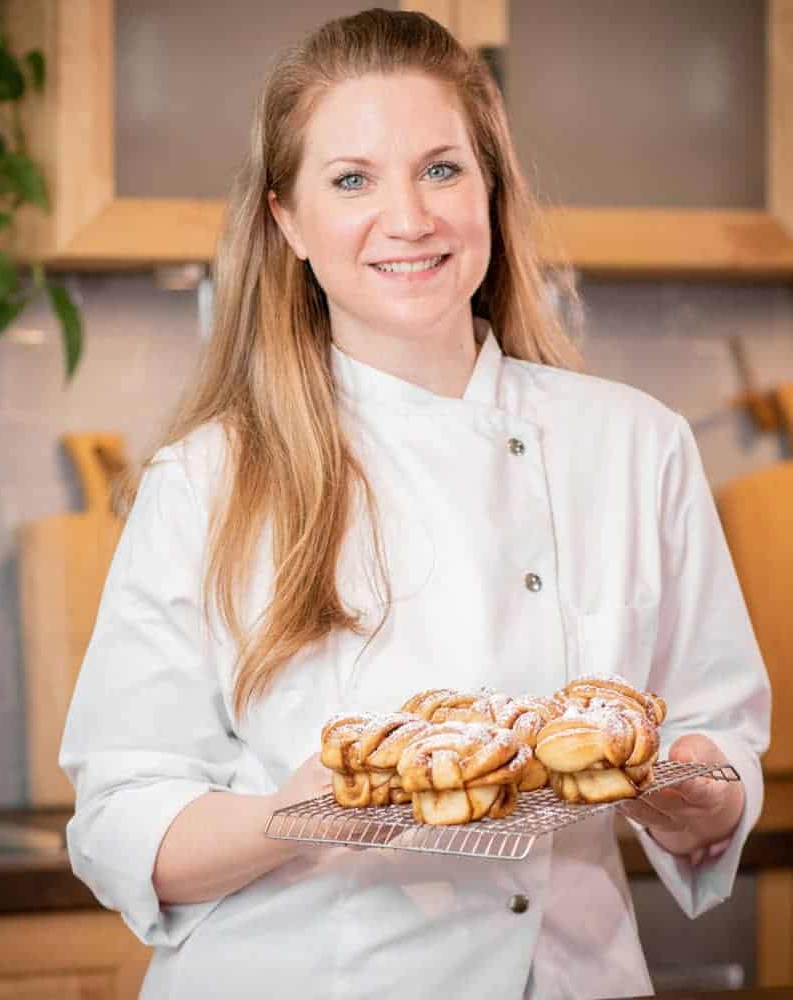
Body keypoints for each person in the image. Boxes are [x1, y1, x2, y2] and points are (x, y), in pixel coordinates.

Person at [59, 8, 770, 1000]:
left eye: (440, 168)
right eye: (351, 179)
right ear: (287, 221)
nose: (408, 217)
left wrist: (693, 788)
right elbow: (120, 817)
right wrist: (297, 809)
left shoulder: (634, 444)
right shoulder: (206, 482)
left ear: (489, 188)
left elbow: (718, 738)